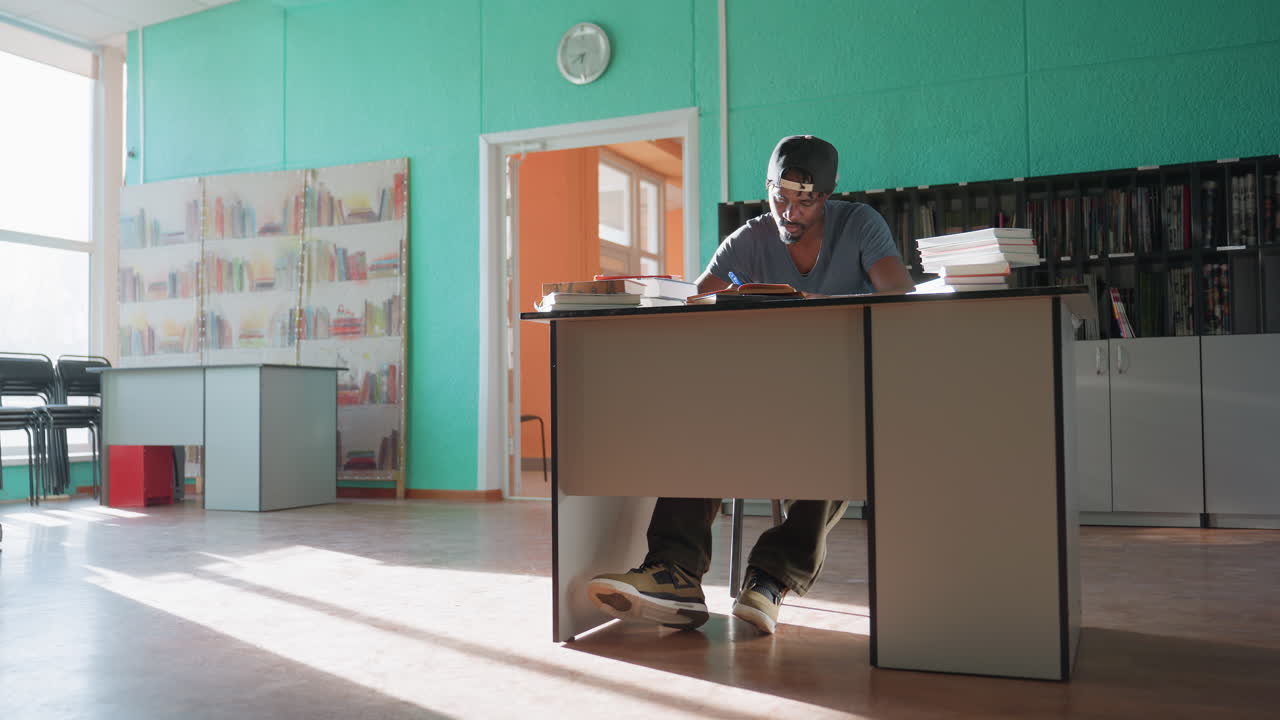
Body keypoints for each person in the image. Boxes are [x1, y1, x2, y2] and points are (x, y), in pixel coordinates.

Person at [586, 134, 914, 635]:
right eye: (779, 198)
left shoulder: (860, 224)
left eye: (806, 202)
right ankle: (675, 573)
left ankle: (770, 580)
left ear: (827, 196)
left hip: (834, 393)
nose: (790, 212)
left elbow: (899, 294)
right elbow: (692, 303)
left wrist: (809, 302)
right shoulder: (749, 238)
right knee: (701, 412)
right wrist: (651, 294)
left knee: (847, 427)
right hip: (760, 392)